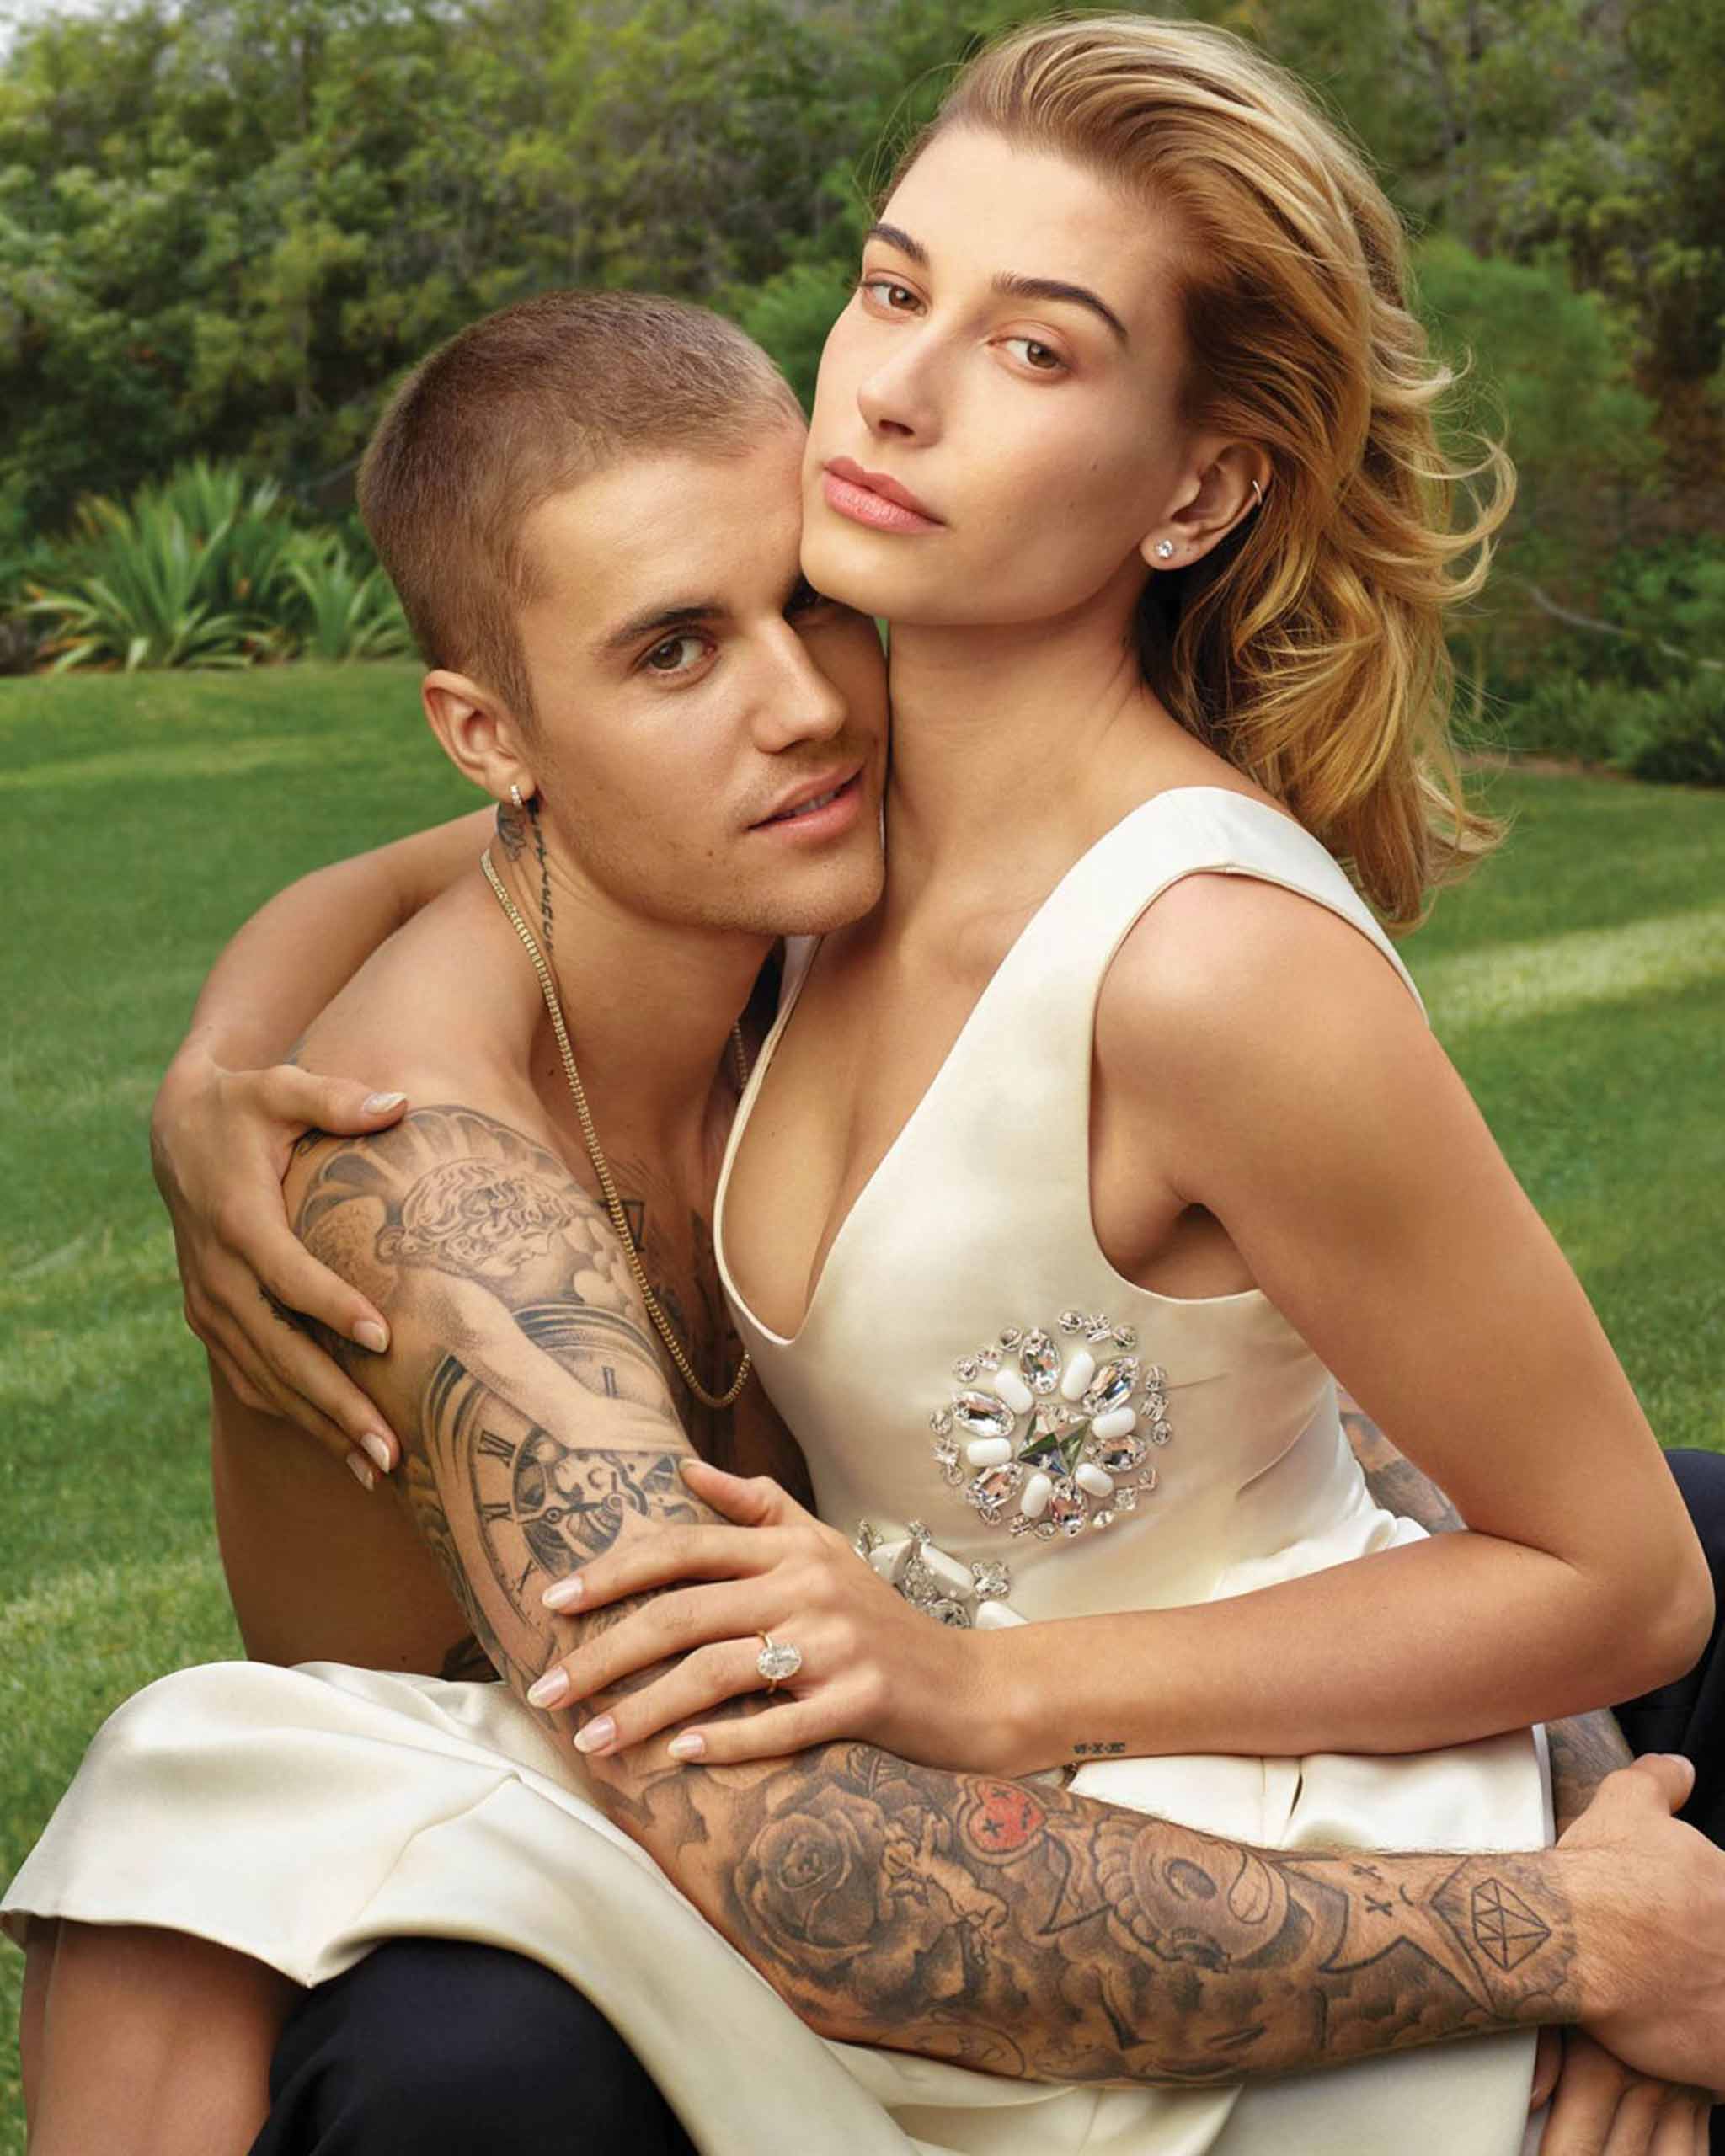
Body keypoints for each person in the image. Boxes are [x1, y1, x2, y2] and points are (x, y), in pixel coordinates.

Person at [9, 21, 1725, 2156]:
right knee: (229, 1817)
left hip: (1192, 1805)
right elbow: (477, 849)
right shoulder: (821, 832)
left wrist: (1577, 1873)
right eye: (895, 288)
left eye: (1034, 348)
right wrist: (218, 1073)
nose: (897, 388)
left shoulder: (1182, 953)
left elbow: (1590, 1554)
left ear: (1194, 489)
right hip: (867, 1777)